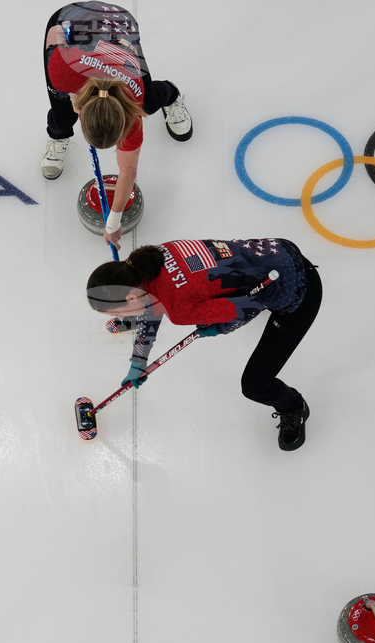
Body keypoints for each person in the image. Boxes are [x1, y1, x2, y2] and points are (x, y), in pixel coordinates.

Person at [86, 239, 322, 450]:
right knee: (188, 297)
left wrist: (220, 327)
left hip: (298, 291)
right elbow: (156, 300)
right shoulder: (151, 256)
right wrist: (138, 360)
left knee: (254, 385)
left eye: (118, 312)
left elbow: (251, 307)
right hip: (277, 251)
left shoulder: (179, 310)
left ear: (130, 297)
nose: (120, 316)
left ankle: (293, 406)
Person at [42, 2, 192, 249]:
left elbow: (128, 170)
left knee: (149, 102)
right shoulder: (60, 70)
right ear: (82, 109)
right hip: (69, 28)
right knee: (62, 117)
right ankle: (58, 137)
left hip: (117, 26)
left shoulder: (134, 101)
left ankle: (172, 94)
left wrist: (113, 220)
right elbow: (55, 34)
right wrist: (71, 96)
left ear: (124, 119)